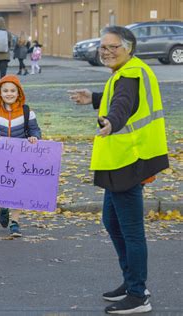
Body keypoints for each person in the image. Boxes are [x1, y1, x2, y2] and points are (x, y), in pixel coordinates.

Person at [68, 26, 169, 314]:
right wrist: (95, 99)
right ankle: (132, 282)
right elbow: (123, 98)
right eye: (103, 47)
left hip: (128, 160)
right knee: (111, 222)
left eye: (113, 47)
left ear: (129, 48)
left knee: (132, 231)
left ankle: (139, 295)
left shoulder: (129, 75)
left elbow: (124, 104)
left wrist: (111, 121)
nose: (107, 52)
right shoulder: (129, 71)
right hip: (121, 160)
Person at [0, 75, 41, 237]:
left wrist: (34, 138)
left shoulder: (27, 111)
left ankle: (15, 222)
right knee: (3, 186)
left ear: (18, 92)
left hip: (21, 157)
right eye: (5, 90)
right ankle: (3, 205)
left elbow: (35, 130)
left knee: (18, 189)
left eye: (12, 90)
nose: (9, 93)